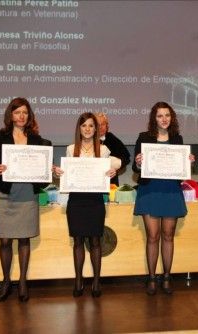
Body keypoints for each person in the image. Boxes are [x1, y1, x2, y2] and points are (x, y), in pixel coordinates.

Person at [0, 97, 51, 302]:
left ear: (29, 116)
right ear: (11, 115)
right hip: (5, 194)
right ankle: (6, 281)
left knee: (24, 238)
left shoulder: (36, 139)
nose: (21, 116)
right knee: (5, 240)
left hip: (26, 194)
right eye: (17, 112)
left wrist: (45, 171)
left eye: (25, 112)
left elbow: (42, 170)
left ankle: (23, 281)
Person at [53, 112, 120, 298]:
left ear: (96, 129)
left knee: (96, 241)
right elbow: (67, 173)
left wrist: (112, 171)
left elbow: (116, 164)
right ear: (79, 129)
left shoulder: (104, 150)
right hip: (76, 200)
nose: (88, 129)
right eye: (84, 126)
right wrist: (59, 174)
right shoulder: (70, 149)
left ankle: (97, 281)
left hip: (95, 200)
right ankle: (78, 280)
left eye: (91, 126)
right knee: (78, 241)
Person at [133, 101, 195, 295]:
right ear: (154, 118)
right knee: (153, 236)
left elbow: (182, 168)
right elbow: (136, 169)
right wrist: (137, 162)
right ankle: (151, 277)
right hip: (150, 190)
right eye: (160, 116)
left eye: (167, 115)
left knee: (168, 236)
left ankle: (167, 276)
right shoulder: (144, 137)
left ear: (172, 117)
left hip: (170, 191)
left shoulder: (177, 138)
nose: (164, 119)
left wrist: (190, 162)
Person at [95, 112, 131, 185]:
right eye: (97, 125)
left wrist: (115, 168)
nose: (100, 127)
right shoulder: (86, 140)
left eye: (103, 124)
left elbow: (126, 157)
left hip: (110, 182)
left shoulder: (111, 138)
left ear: (107, 126)